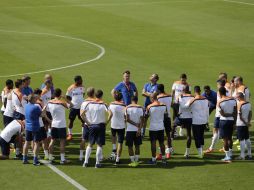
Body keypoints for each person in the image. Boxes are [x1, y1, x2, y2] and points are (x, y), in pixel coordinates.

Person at [81, 90, 111, 168]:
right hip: (100, 126)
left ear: (95, 95)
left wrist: (88, 122)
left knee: (90, 144)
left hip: (92, 126)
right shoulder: (103, 104)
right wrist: (106, 122)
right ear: (101, 96)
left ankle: (85, 162)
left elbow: (82, 114)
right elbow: (111, 114)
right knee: (99, 145)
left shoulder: (89, 103)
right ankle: (97, 163)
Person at [47, 88, 71, 164]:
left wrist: (49, 120)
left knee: (52, 140)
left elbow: (44, 111)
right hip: (61, 125)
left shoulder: (49, 102)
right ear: (60, 94)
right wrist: (64, 98)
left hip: (53, 124)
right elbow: (71, 105)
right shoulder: (61, 102)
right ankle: (62, 159)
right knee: (62, 142)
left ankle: (50, 158)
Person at [204, 80, 229, 153]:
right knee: (225, 133)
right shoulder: (228, 90)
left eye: (217, 84)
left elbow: (219, 102)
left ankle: (211, 148)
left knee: (215, 130)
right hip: (227, 114)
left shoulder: (219, 92)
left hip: (219, 114)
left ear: (220, 84)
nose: (217, 86)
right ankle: (225, 148)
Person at [186, 86, 209, 158]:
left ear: (195, 91)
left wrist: (191, 99)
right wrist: (207, 120)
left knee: (196, 137)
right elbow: (207, 111)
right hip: (204, 120)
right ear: (200, 90)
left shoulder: (194, 100)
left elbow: (186, 106)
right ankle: (201, 151)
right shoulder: (206, 99)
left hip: (196, 121)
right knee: (201, 136)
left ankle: (200, 154)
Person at [146, 93, 167, 165]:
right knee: (161, 143)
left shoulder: (149, 107)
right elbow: (165, 115)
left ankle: (153, 160)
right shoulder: (164, 105)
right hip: (161, 127)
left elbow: (146, 116)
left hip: (153, 128)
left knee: (153, 143)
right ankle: (164, 159)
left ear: (152, 98)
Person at [218, 87, 237, 162]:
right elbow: (235, 112)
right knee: (230, 138)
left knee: (225, 139)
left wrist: (229, 114)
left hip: (224, 122)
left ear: (219, 93)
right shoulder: (233, 99)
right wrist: (234, 121)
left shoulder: (220, 102)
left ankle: (227, 157)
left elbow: (222, 114)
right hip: (232, 121)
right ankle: (231, 153)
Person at [23, 94, 42, 166]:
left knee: (27, 143)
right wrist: (44, 110)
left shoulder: (26, 106)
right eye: (35, 99)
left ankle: (24, 159)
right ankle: (35, 160)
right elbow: (42, 115)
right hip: (35, 127)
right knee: (37, 143)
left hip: (28, 127)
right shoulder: (36, 107)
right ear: (33, 99)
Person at [125, 96, 144, 167]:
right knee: (137, 146)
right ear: (137, 100)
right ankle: (137, 160)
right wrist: (139, 129)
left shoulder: (127, 108)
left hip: (129, 130)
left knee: (130, 146)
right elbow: (142, 120)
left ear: (131, 100)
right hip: (137, 130)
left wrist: (135, 124)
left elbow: (127, 119)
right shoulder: (140, 108)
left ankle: (132, 161)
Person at [108, 92, 126, 164]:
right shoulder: (124, 105)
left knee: (113, 137)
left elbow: (109, 113)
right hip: (121, 126)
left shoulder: (111, 104)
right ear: (121, 98)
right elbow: (125, 116)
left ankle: (114, 150)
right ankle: (117, 159)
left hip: (113, 125)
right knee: (120, 143)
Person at [175, 86, 193, 158]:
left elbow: (175, 104)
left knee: (172, 130)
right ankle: (187, 153)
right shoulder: (192, 97)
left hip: (181, 117)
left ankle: (169, 149)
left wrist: (177, 114)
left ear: (182, 90)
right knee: (189, 134)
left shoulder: (180, 96)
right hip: (189, 117)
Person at [34, 88, 51, 160]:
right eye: (40, 94)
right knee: (43, 140)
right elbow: (42, 114)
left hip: (33, 124)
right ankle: (44, 156)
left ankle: (36, 156)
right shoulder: (39, 102)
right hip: (40, 124)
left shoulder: (30, 102)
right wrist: (49, 120)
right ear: (38, 94)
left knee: (34, 141)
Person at [66, 75, 85, 141]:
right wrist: (70, 104)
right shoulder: (71, 88)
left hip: (81, 107)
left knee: (83, 121)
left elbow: (83, 94)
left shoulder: (82, 87)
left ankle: (83, 134)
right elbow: (67, 97)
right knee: (71, 121)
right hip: (74, 107)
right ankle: (70, 134)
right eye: (81, 79)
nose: (82, 81)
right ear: (77, 81)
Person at [157, 84, 173, 159]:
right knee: (168, 135)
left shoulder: (158, 98)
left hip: (161, 118)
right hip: (168, 117)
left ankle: (161, 153)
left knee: (160, 136)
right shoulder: (170, 96)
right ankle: (168, 152)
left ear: (159, 90)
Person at [79, 87, 95, 161]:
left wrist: (87, 122)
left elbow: (81, 114)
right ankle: (99, 157)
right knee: (97, 141)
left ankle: (81, 156)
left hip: (86, 124)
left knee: (83, 139)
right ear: (93, 93)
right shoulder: (95, 102)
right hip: (94, 124)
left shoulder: (84, 102)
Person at [235, 92, 252, 160]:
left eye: (236, 97)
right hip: (246, 124)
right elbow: (250, 113)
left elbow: (240, 116)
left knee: (241, 140)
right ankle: (249, 154)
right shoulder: (248, 103)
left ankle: (242, 155)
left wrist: (245, 122)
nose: (236, 98)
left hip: (240, 124)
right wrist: (248, 122)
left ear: (239, 97)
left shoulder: (239, 104)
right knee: (247, 138)